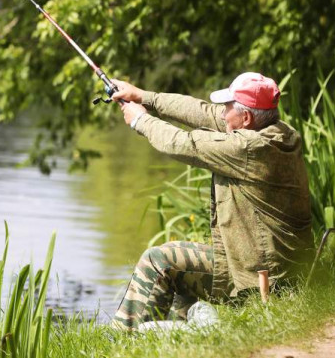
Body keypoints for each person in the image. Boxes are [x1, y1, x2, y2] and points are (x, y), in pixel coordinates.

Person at [109, 72, 313, 331]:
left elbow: (183, 143)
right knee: (182, 263)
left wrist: (141, 120)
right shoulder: (279, 132)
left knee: (158, 260)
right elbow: (204, 112)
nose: (222, 113)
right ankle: (176, 338)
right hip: (282, 268)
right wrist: (143, 96)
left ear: (246, 118)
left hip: (262, 279)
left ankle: (124, 340)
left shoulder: (250, 149)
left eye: (228, 107)